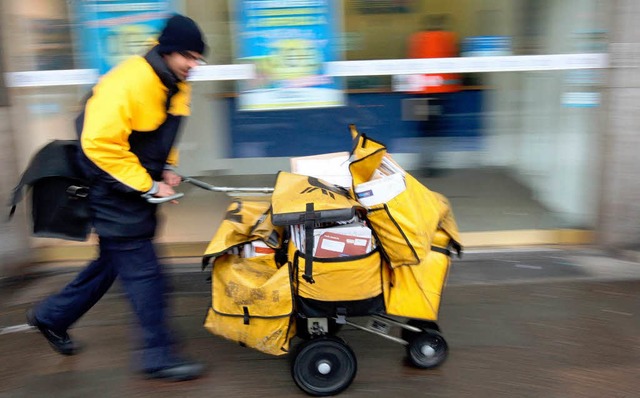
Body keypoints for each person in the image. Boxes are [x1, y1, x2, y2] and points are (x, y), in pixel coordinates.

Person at [26, 14, 207, 382]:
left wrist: (166, 169)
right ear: (168, 49)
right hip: (110, 188)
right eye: (188, 56)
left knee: (110, 264)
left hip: (131, 186)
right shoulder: (128, 83)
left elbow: (161, 136)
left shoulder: (175, 82)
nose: (193, 65)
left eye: (198, 59)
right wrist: (148, 184)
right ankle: (157, 356)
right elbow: (97, 145)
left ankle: (51, 316)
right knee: (147, 276)